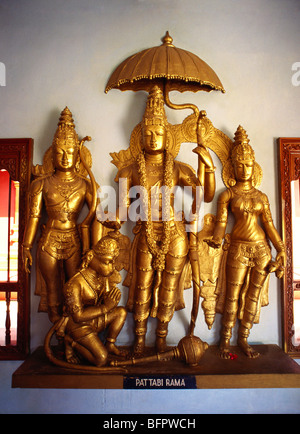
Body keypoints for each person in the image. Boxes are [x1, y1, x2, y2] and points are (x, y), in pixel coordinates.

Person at [115, 86, 216, 354]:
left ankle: (161, 337)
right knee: (142, 285)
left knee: (169, 286)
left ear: (167, 136)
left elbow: (205, 195)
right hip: (146, 233)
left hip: (174, 233)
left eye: (159, 133)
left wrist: (208, 166)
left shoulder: (179, 168)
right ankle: (139, 339)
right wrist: (110, 221)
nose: (153, 137)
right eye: (147, 133)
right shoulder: (129, 170)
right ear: (140, 136)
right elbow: (123, 210)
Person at [207, 126, 286, 358]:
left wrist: (281, 249)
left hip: (261, 249)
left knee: (253, 295)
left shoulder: (261, 197)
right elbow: (221, 222)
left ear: (254, 166)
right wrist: (216, 238)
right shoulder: (228, 195)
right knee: (232, 294)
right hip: (238, 248)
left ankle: (243, 338)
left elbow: (269, 225)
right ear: (232, 167)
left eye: (248, 164)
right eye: (240, 165)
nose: (244, 169)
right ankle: (225, 340)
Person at [22, 107, 103, 323]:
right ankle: (58, 339)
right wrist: (25, 246)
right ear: (52, 152)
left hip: (74, 242)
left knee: (74, 289)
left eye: (70, 151)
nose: (65, 157)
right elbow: (34, 218)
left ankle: (73, 338)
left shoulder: (86, 185)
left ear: (78, 154)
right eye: (60, 151)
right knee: (53, 292)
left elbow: (97, 216)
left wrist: (94, 249)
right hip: (49, 241)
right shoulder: (41, 184)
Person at [62, 235, 127, 367]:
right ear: (92, 257)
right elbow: (78, 316)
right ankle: (70, 342)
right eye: (107, 262)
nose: (111, 267)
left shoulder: (101, 277)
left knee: (121, 312)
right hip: (78, 326)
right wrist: (105, 308)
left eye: (112, 262)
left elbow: (106, 300)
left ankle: (110, 344)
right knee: (101, 359)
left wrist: (111, 300)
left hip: (94, 319)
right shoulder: (74, 284)